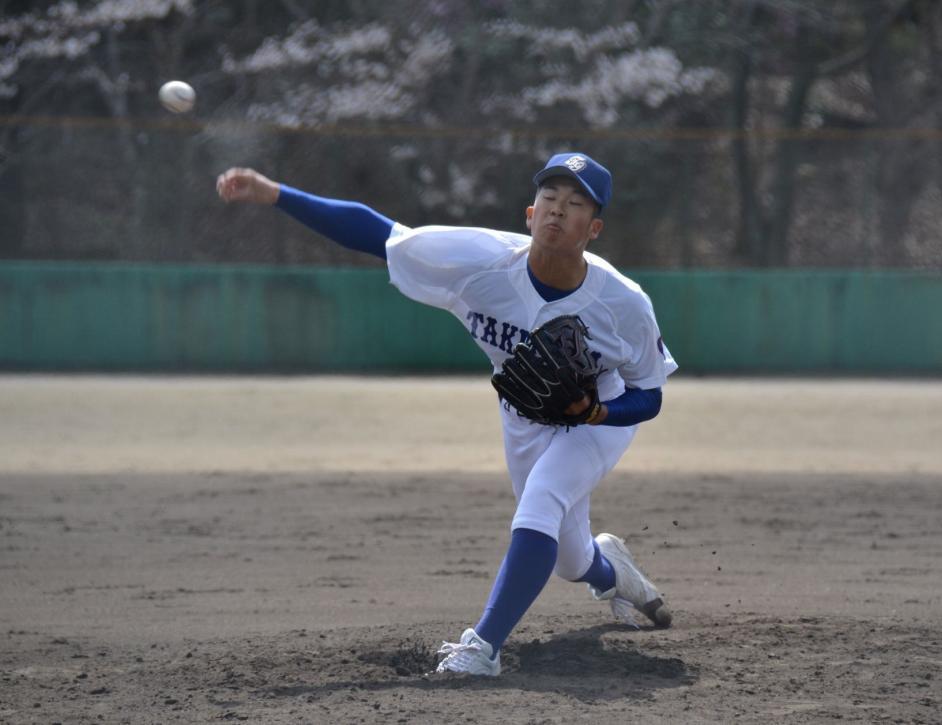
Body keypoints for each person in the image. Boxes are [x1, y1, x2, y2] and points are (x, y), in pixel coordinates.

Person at [216, 152, 678, 677]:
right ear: (529, 214)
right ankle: (609, 569)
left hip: (595, 416)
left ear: (592, 228)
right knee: (569, 558)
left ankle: (483, 648)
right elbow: (375, 232)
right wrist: (274, 193)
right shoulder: (479, 260)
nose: (557, 211)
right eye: (549, 198)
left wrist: (599, 412)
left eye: (574, 204)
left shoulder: (623, 303)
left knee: (541, 502)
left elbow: (650, 395)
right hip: (523, 415)